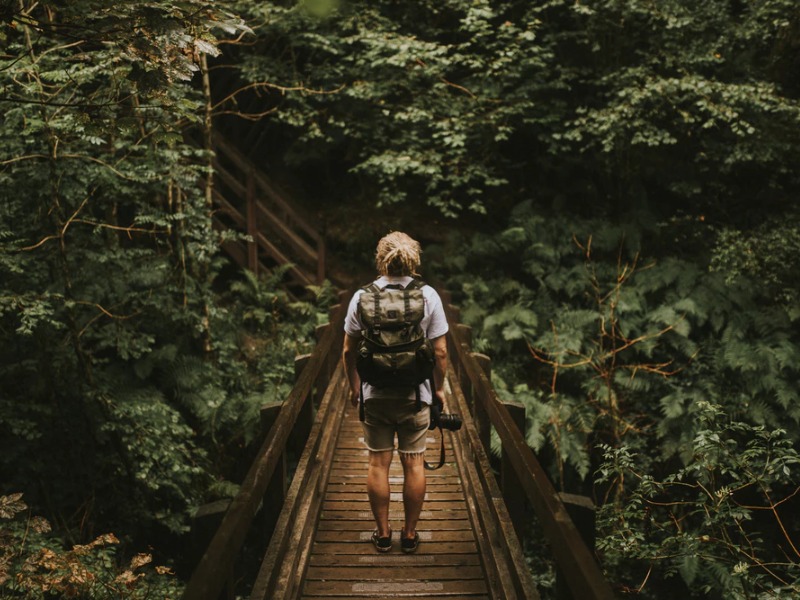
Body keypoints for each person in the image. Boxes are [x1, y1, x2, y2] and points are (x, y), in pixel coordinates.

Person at [342, 231, 449, 553]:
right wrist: (439, 389)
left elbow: (348, 350)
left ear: (381, 258)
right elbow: (441, 351)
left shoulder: (363, 296)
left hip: (375, 395)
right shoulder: (428, 295)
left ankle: (383, 533)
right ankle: (411, 534)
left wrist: (354, 386)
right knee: (414, 463)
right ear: (414, 259)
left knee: (378, 463)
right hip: (416, 395)